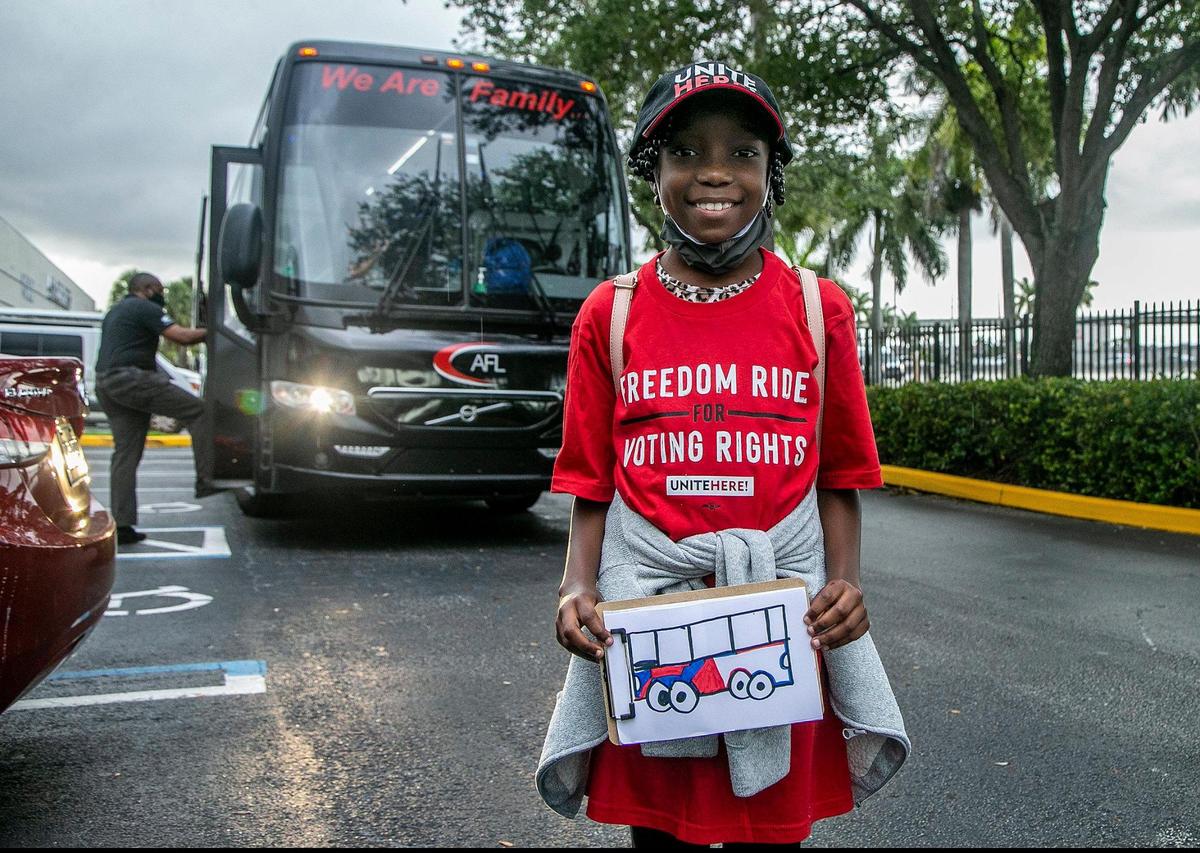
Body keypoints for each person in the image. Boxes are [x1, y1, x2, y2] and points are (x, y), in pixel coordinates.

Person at [535, 63, 909, 847]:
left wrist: (844, 582)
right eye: (685, 152)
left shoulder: (817, 307)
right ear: (655, 171)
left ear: (770, 172)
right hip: (654, 627)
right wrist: (576, 585)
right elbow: (591, 483)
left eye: (742, 152)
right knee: (661, 835)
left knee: (769, 832)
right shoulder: (611, 313)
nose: (713, 172)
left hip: (778, 627)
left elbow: (839, 474)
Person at [95, 272, 215, 545]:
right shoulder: (143, 307)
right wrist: (217, 332)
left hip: (107, 383)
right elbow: (181, 337)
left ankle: (123, 526)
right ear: (147, 289)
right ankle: (206, 479)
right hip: (131, 379)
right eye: (160, 290)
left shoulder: (116, 311)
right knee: (199, 411)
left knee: (126, 452)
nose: (162, 296)